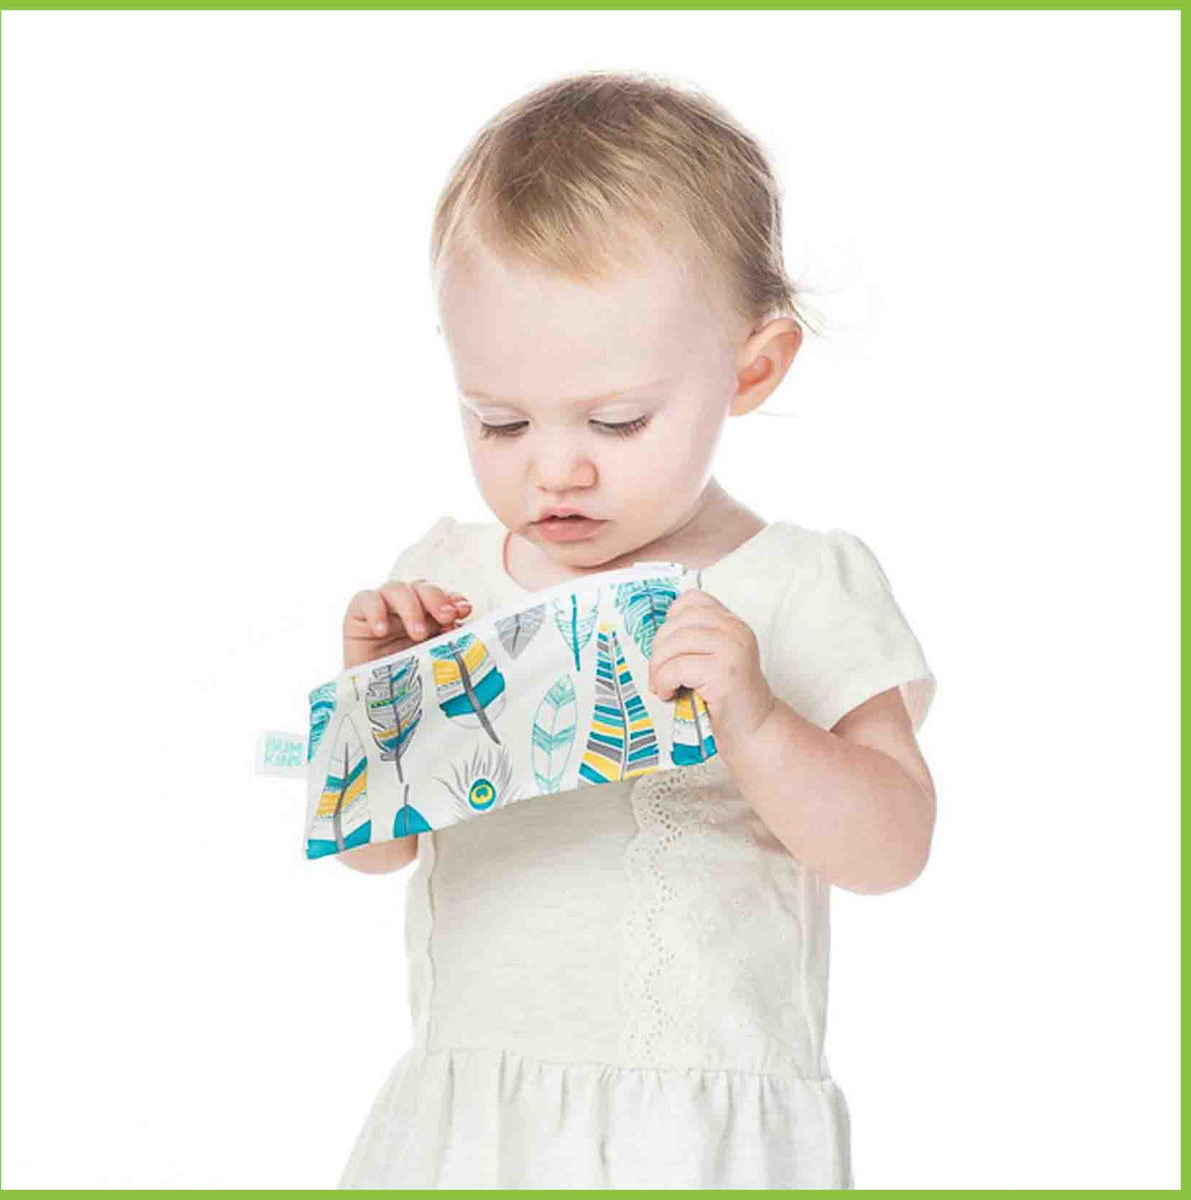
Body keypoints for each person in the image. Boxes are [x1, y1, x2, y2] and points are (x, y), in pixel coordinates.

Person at [333, 69, 937, 1190]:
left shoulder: (800, 585)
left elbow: (894, 846)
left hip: (703, 1137)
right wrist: (377, 705)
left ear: (750, 369)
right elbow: (375, 849)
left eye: (617, 420)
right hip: (476, 1131)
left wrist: (757, 721)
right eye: (498, 420)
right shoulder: (449, 577)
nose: (554, 468)